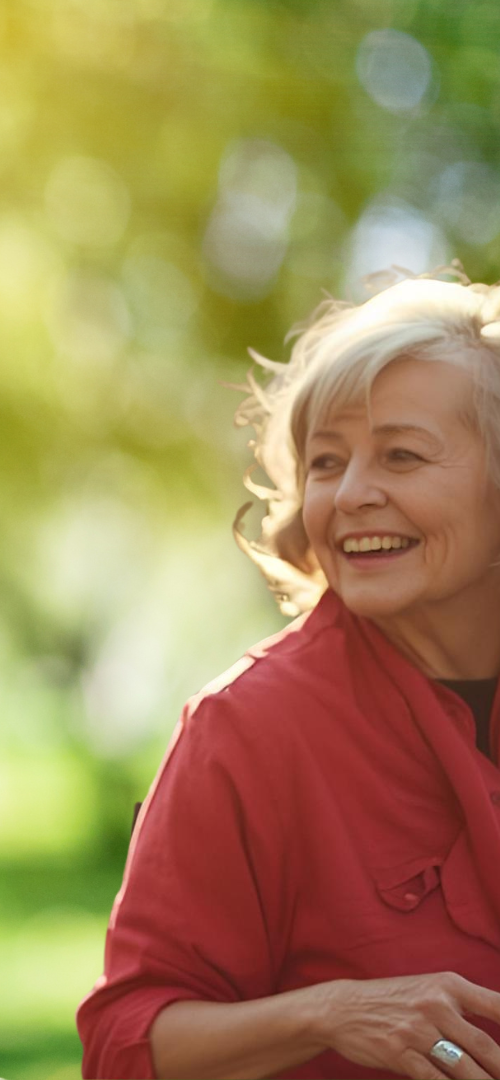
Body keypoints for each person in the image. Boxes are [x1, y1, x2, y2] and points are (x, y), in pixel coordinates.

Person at [78, 276, 500, 1079]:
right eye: (326, 464)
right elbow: (124, 1043)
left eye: (401, 456)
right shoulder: (244, 727)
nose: (349, 496)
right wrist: (332, 1013)